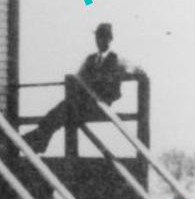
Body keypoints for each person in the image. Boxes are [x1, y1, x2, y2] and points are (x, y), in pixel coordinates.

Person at [23, 22, 135, 153]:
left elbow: (135, 70)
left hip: (101, 104)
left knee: (66, 108)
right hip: (85, 102)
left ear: (110, 39)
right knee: (63, 108)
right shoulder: (91, 59)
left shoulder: (116, 59)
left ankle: (39, 138)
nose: (100, 40)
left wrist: (123, 76)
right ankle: (41, 137)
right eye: (98, 37)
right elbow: (78, 77)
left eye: (104, 37)